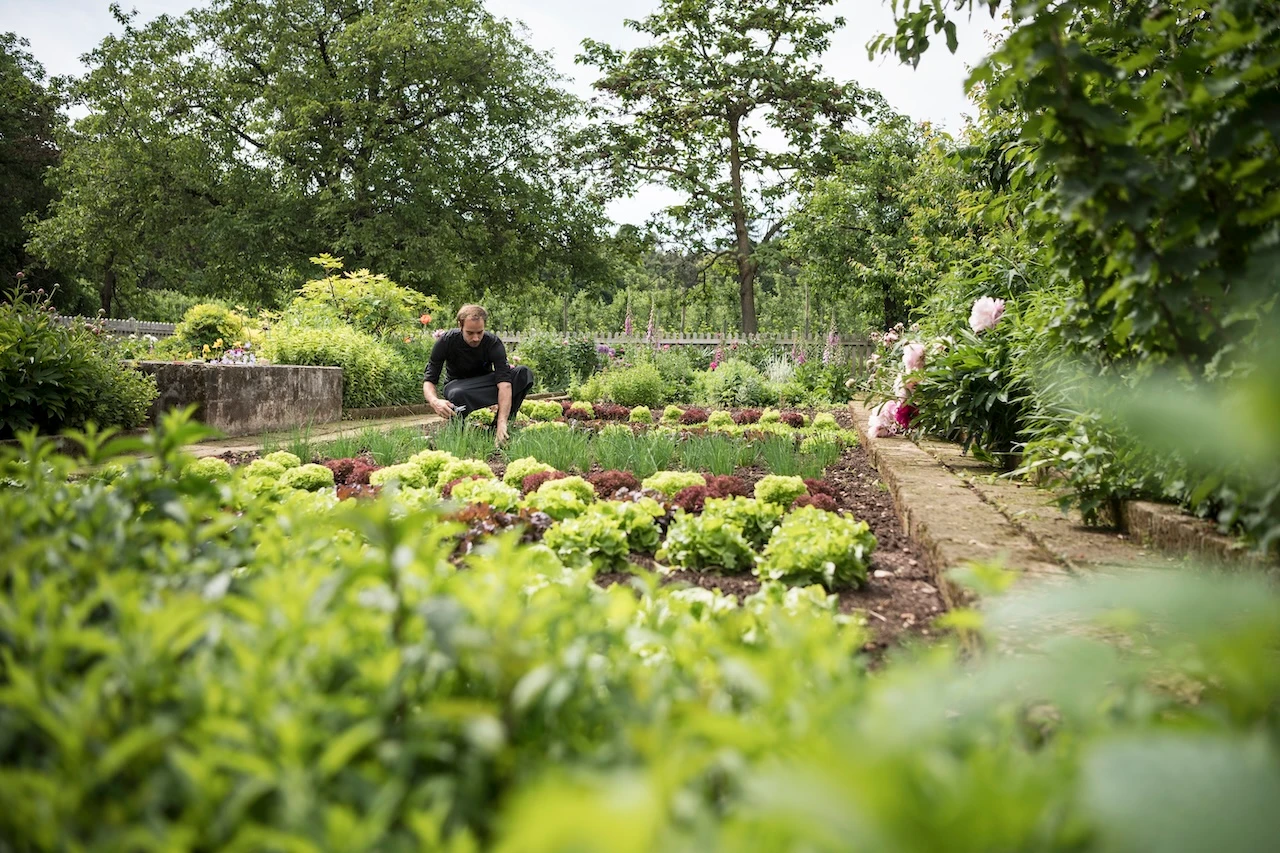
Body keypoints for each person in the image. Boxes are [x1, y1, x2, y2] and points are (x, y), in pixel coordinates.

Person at [422, 304, 534, 444]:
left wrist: (502, 422)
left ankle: (499, 429)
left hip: (484, 385)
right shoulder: (446, 341)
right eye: (470, 333)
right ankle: (458, 433)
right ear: (460, 326)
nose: (475, 338)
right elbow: (429, 380)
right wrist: (435, 401)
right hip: (457, 387)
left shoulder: (492, 343)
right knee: (458, 393)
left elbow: (504, 383)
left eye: (479, 333)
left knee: (523, 373)